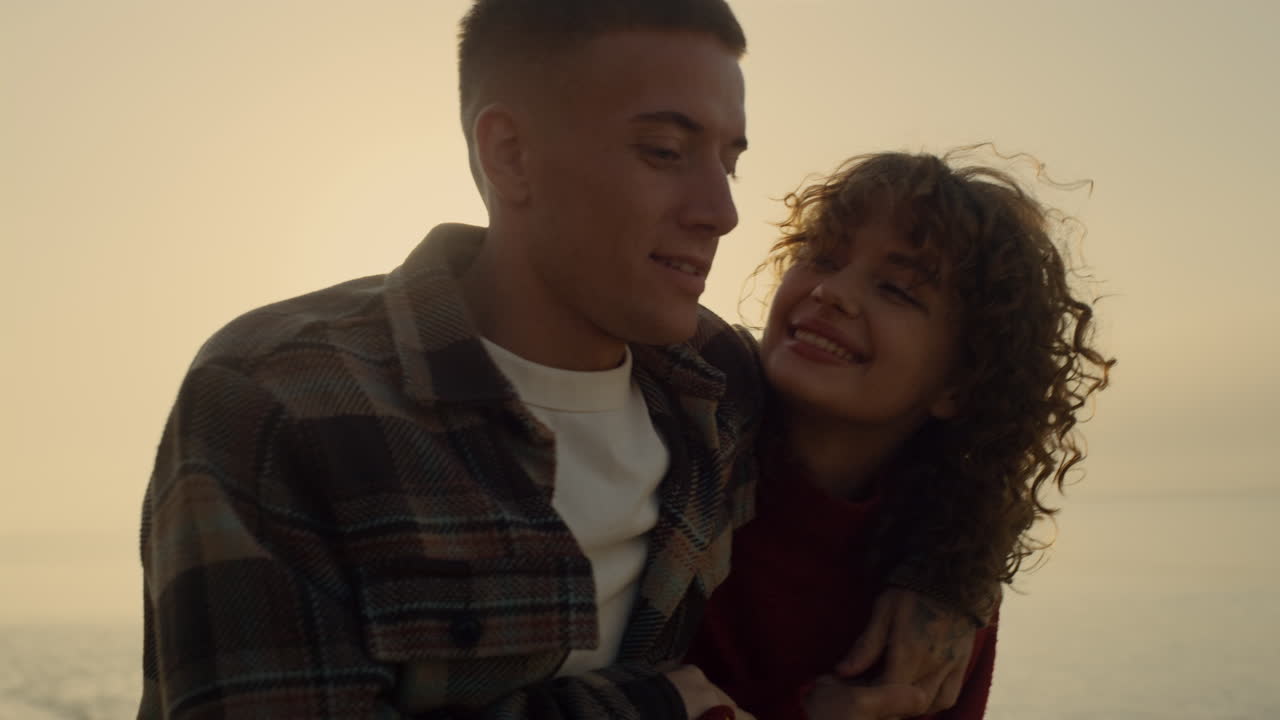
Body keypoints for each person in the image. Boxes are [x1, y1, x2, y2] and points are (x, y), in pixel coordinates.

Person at [137, 2, 979, 717]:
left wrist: (952, 579)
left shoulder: (716, 383)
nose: (721, 211)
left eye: (729, 159)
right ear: (510, 154)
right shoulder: (281, 402)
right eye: (664, 151)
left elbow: (931, 443)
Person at [684, 149, 1116, 719]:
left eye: (896, 289)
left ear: (961, 382)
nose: (832, 292)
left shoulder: (942, 578)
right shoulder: (674, 416)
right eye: (820, 257)